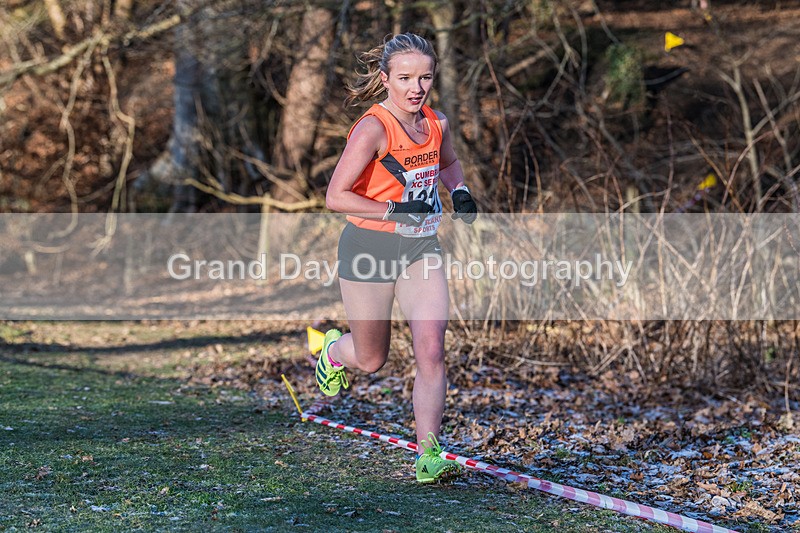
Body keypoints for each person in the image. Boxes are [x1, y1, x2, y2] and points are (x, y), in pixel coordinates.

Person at [316, 33, 478, 483]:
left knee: (431, 348)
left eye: (425, 77)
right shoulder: (373, 128)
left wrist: (460, 191)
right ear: (385, 79)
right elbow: (336, 197)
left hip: (421, 249)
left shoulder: (436, 122)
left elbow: (447, 162)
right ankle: (333, 352)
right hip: (369, 249)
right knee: (371, 360)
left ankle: (429, 453)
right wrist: (394, 209)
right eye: (405, 77)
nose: (416, 87)